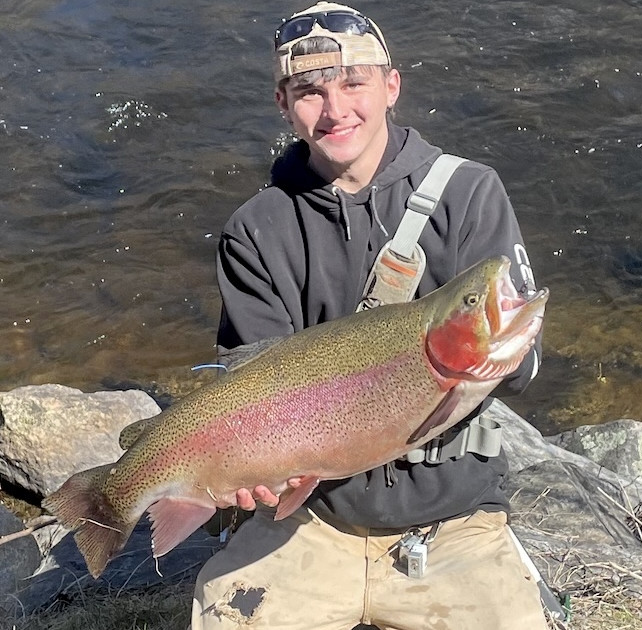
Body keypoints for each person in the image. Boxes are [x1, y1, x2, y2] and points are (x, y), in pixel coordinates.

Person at [192, 3, 549, 629]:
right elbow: (254, 382)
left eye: (355, 83)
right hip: (310, 522)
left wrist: (510, 346)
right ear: (283, 103)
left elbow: (521, 373)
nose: (335, 111)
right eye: (309, 92)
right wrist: (248, 473)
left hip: (455, 523)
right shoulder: (255, 231)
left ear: (391, 85)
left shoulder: (469, 194)